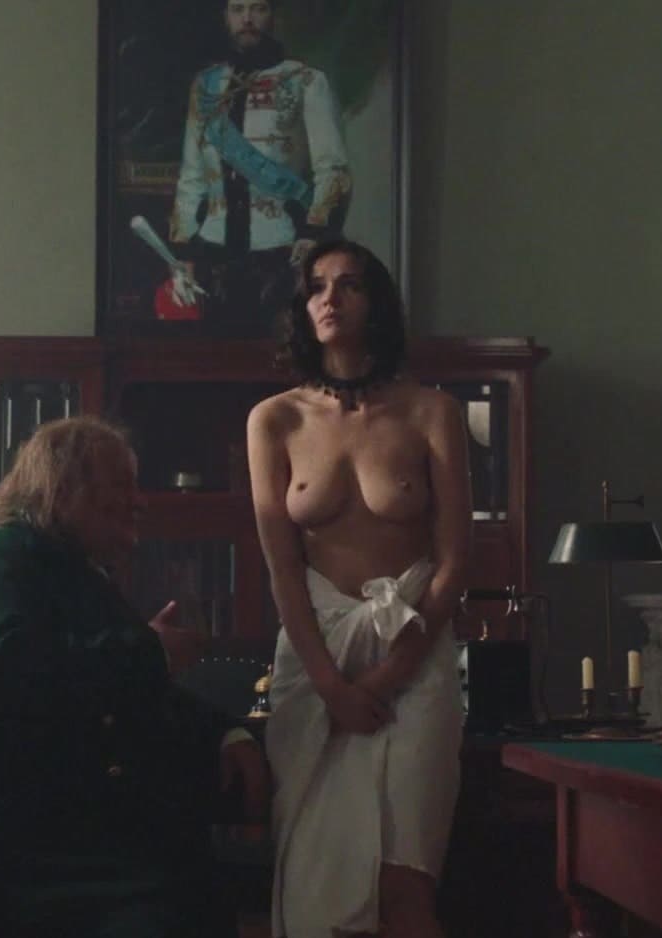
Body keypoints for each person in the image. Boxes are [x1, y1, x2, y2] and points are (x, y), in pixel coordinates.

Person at [0, 416, 269, 937]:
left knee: (193, 886)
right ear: (63, 489)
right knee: (171, 905)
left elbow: (136, 688)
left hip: (62, 839)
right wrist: (150, 649)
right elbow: (13, 670)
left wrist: (225, 733)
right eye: (121, 484)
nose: (139, 502)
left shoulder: (76, 574)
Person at [246, 239, 471, 938]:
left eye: (348, 285)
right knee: (317, 887)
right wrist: (331, 685)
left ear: (376, 303)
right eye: (316, 287)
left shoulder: (431, 412)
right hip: (315, 662)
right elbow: (283, 569)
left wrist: (389, 673)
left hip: (415, 653)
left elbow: (454, 562)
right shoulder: (274, 420)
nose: (330, 299)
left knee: (404, 886)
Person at [169, 0, 352, 335]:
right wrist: (183, 255)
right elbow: (192, 176)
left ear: (274, 15)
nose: (248, 19)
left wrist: (313, 234)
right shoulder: (205, 86)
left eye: (258, 9)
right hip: (214, 253)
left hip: (282, 253)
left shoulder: (306, 82)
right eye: (238, 9)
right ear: (225, 17)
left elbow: (333, 170)